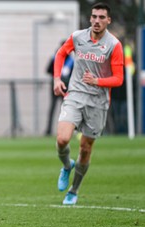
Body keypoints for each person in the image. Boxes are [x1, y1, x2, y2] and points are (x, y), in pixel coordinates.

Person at [54, 2, 123, 205]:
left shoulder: (114, 45)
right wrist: (57, 79)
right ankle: (67, 166)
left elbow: (118, 79)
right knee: (62, 139)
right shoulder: (77, 37)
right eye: (94, 16)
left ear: (108, 20)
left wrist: (97, 81)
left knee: (85, 148)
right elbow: (61, 54)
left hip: (98, 102)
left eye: (102, 17)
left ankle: (74, 190)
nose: (96, 21)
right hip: (75, 95)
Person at [45, 41, 74, 136]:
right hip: (55, 87)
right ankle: (48, 130)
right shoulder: (55, 58)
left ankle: (66, 130)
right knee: (52, 108)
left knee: (66, 109)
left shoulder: (71, 61)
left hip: (66, 87)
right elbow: (48, 70)